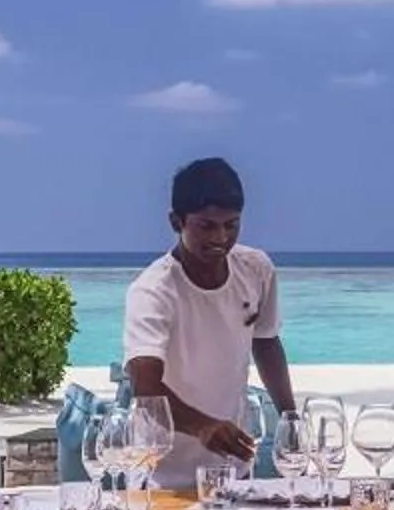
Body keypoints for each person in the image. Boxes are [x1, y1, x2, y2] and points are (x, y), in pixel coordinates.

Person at [122, 157, 298, 492]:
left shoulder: (255, 269)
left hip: (233, 472)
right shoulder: (152, 291)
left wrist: (291, 420)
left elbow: (265, 341)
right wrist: (204, 427)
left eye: (231, 225)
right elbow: (145, 387)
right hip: (161, 478)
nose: (221, 237)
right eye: (207, 226)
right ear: (177, 222)